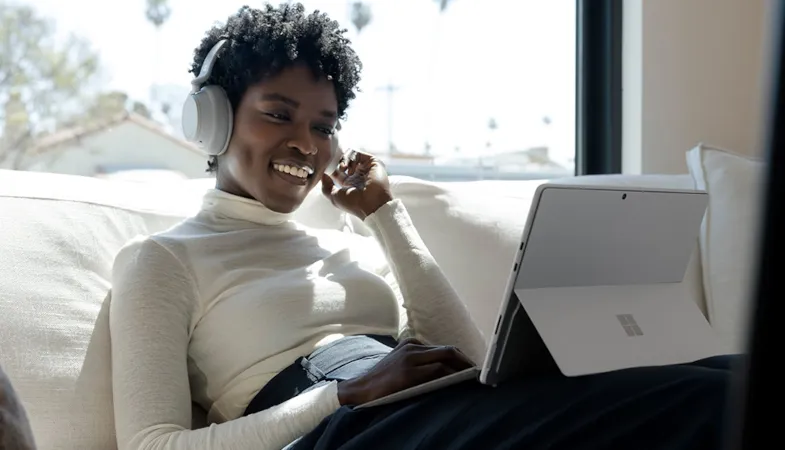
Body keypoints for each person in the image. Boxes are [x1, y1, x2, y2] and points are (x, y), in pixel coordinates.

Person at [109, 3, 741, 449]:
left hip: (426, 412)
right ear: (212, 121)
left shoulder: (345, 243)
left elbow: (462, 356)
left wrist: (385, 215)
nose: (306, 144)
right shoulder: (161, 260)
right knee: (712, 406)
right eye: (279, 115)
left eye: (324, 126)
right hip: (339, 429)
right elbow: (152, 443)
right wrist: (343, 395)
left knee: (731, 373)